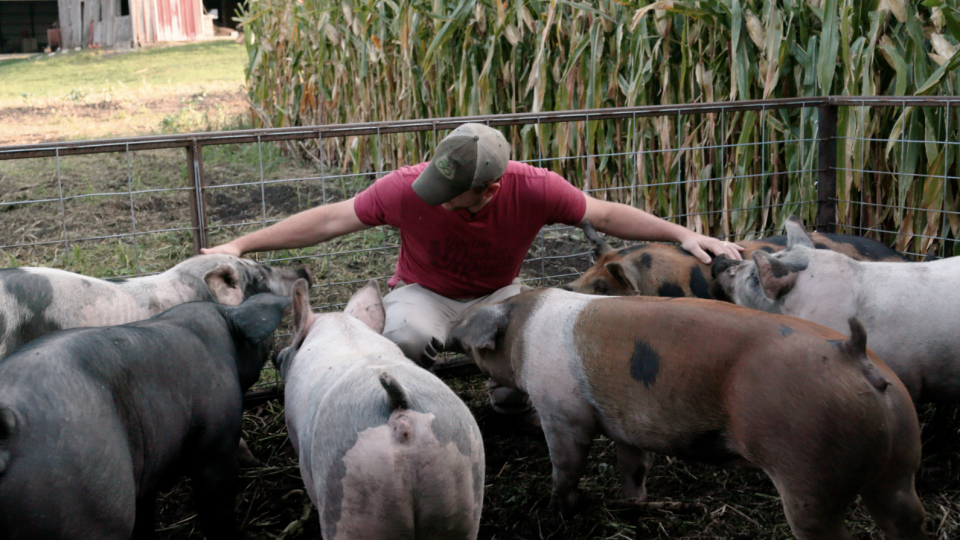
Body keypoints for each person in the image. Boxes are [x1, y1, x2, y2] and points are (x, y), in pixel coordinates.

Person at [202, 123, 744, 422]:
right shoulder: (407, 187)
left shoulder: (534, 187)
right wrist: (243, 243)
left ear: (491, 189)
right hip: (425, 292)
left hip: (502, 289)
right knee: (403, 336)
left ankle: (510, 396)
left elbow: (602, 213)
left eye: (449, 197)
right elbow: (332, 218)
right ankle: (409, 409)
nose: (433, 201)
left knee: (548, 330)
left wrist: (681, 234)